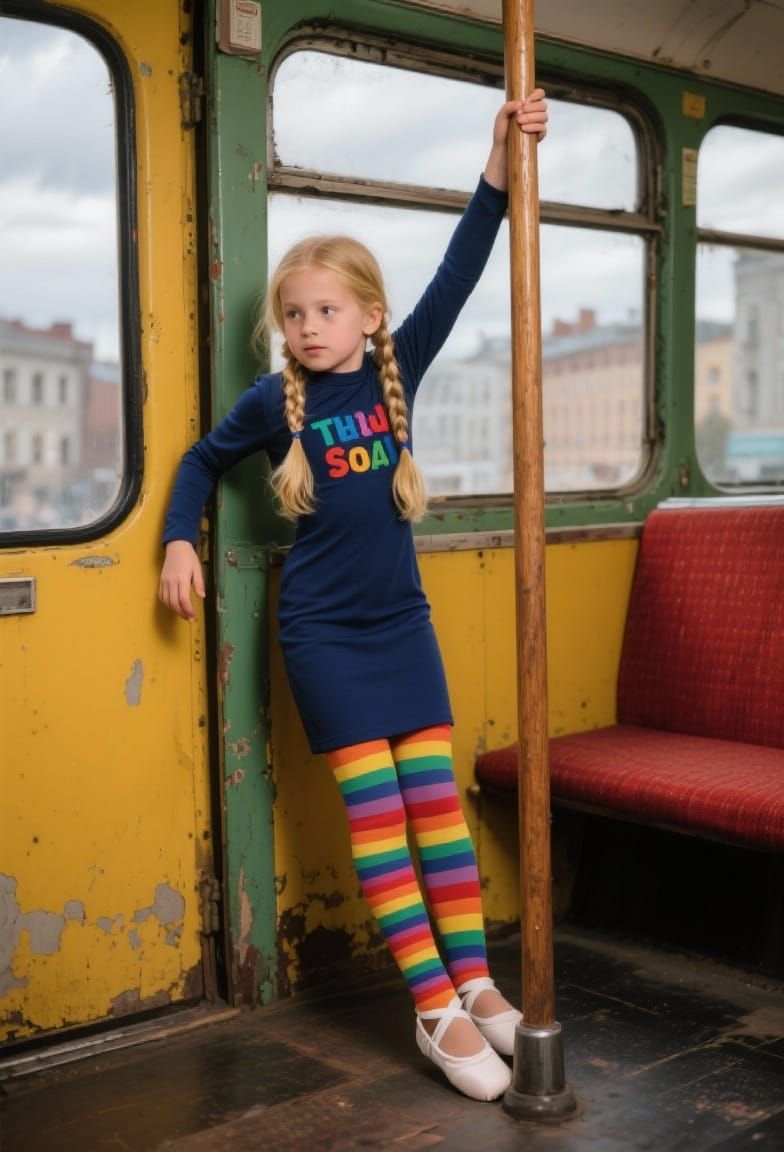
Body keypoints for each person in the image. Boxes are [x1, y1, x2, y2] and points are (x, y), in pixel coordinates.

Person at [159, 89, 548, 1102]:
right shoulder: (269, 402)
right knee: (380, 822)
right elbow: (201, 463)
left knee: (439, 816)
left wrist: (501, 156)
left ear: (369, 316)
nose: (308, 326)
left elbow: (465, 265)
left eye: (327, 310)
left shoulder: (394, 369)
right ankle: (431, 1009)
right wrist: (176, 544)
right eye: (294, 314)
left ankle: (475, 981)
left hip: (401, 628)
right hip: (323, 636)